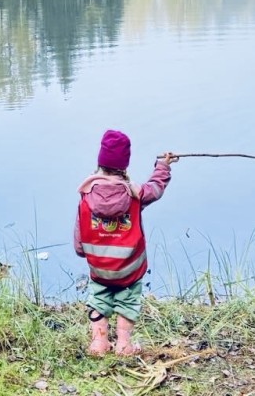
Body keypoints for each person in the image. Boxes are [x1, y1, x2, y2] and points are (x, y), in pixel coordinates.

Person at [73, 129, 178, 356]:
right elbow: (156, 188)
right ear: (125, 165)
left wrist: (84, 251)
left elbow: (79, 238)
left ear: (100, 162)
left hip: (99, 268)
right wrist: (163, 166)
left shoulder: (86, 195)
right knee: (127, 301)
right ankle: (123, 345)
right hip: (129, 269)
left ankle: (99, 344)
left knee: (98, 298)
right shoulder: (135, 194)